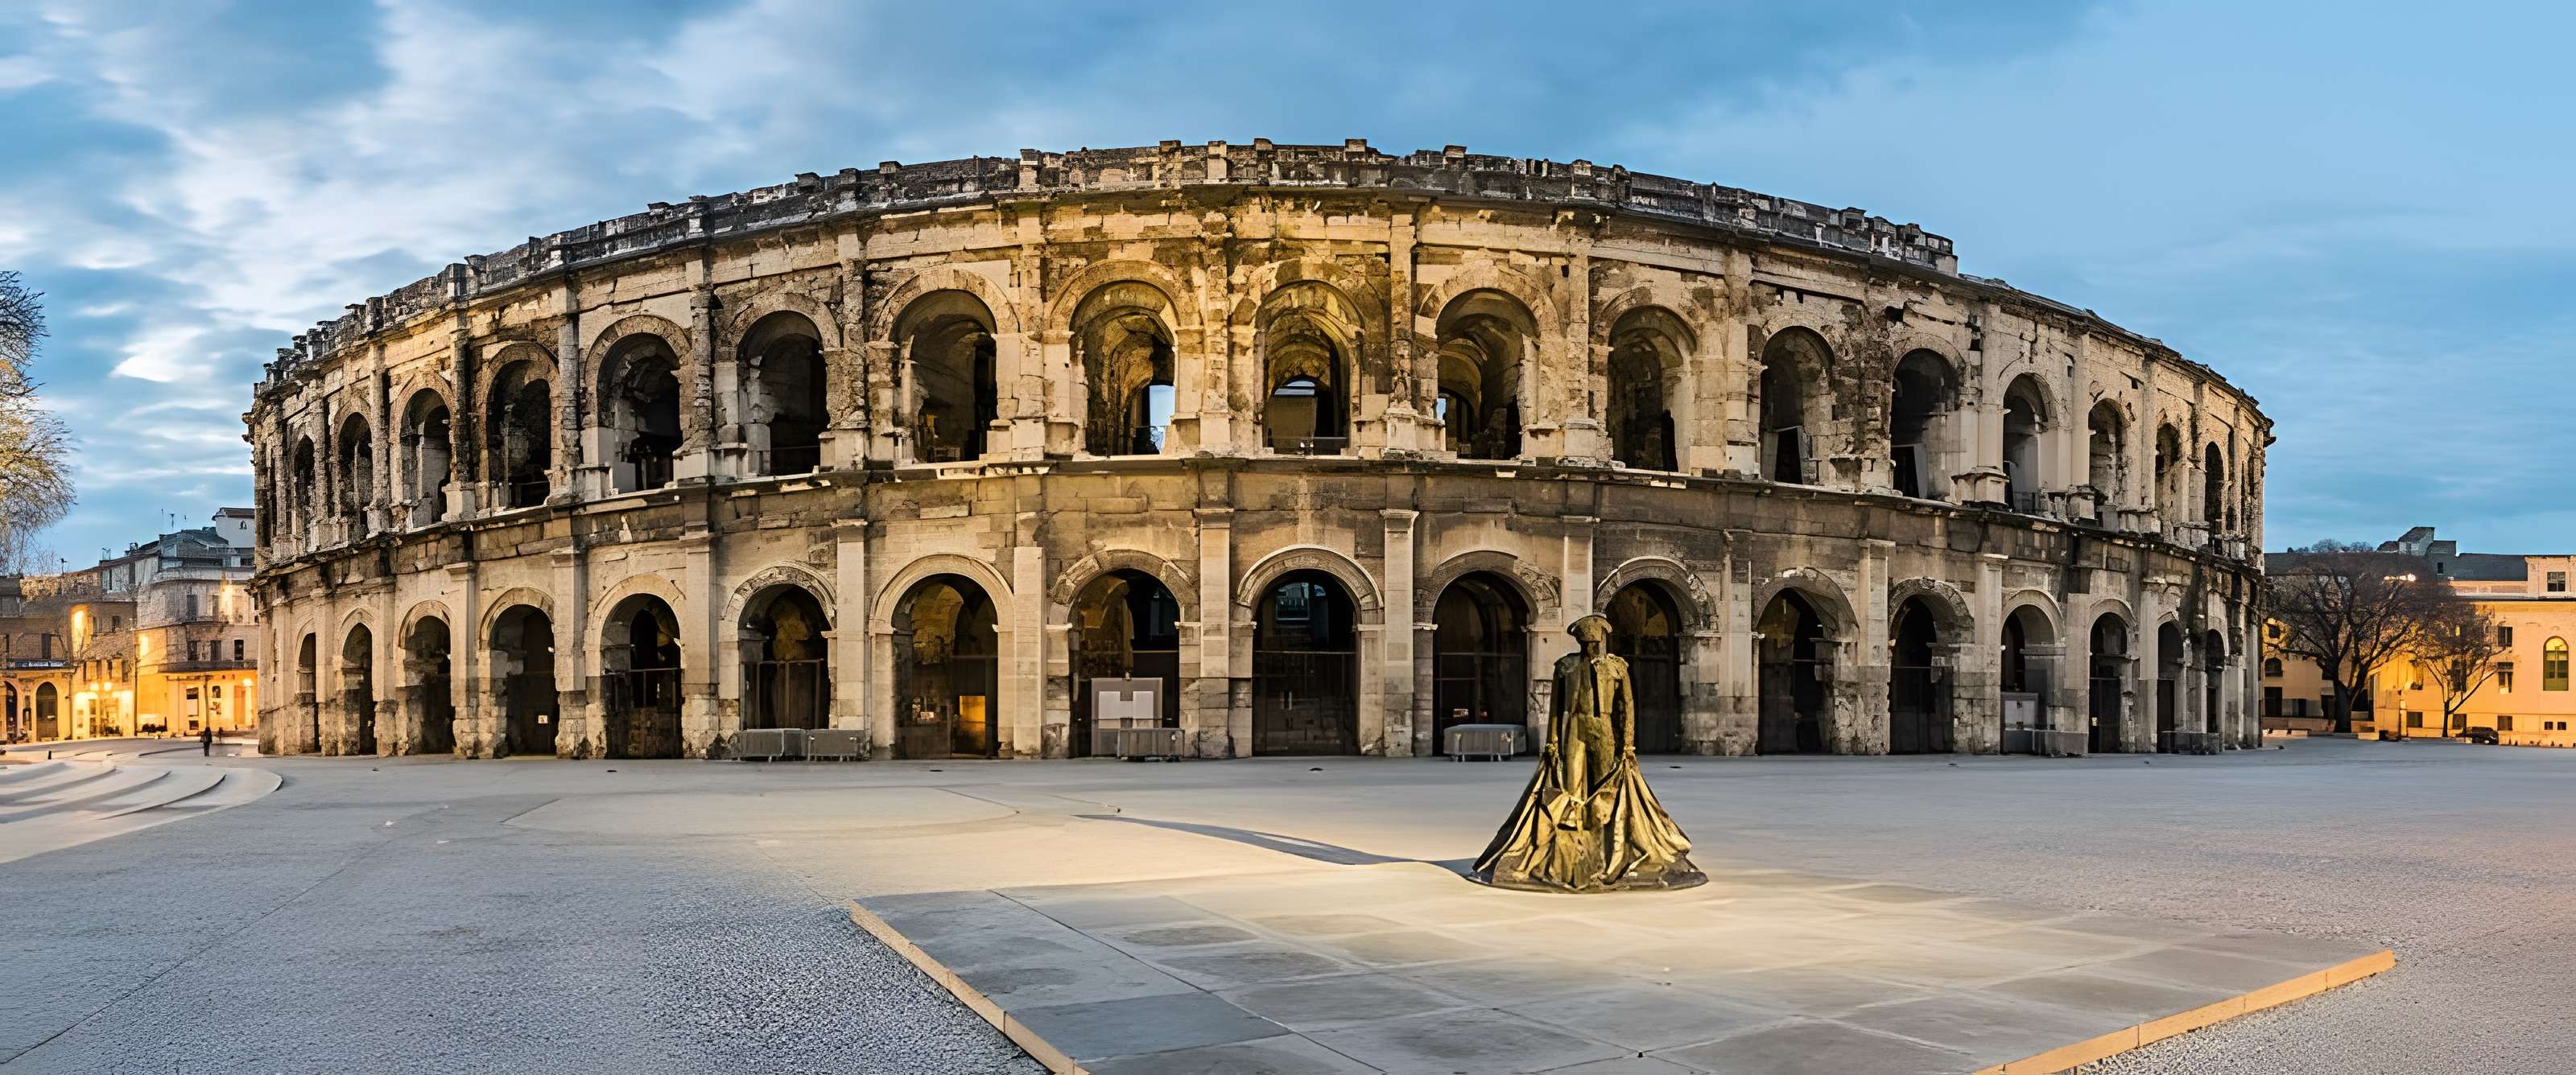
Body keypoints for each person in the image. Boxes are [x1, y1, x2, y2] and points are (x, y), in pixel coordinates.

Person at [1471, 615, 1704, 892]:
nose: (1592, 647)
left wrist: (1628, 743)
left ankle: (1605, 841)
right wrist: (1552, 740)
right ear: (1580, 642)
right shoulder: (1566, 667)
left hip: (1603, 728)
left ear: (1602, 640)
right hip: (1576, 729)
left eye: (1596, 642)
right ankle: (1577, 847)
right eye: (1588, 643)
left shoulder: (1616, 667)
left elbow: (1627, 706)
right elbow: (1556, 708)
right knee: (1573, 786)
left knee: (1605, 785)